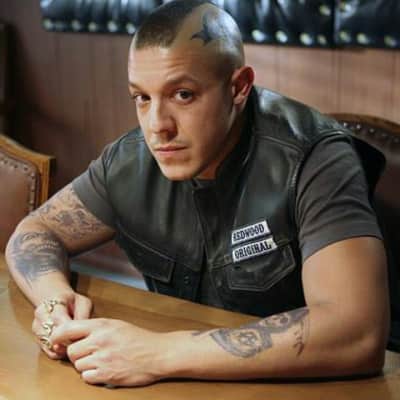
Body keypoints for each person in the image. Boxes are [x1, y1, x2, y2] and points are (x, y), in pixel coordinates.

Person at [5, 0, 389, 387]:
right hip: (183, 384)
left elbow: (356, 331)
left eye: (183, 94)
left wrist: (157, 353)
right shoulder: (128, 161)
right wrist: (55, 300)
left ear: (238, 87)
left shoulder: (315, 158)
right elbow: (36, 231)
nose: (158, 126)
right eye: (142, 97)